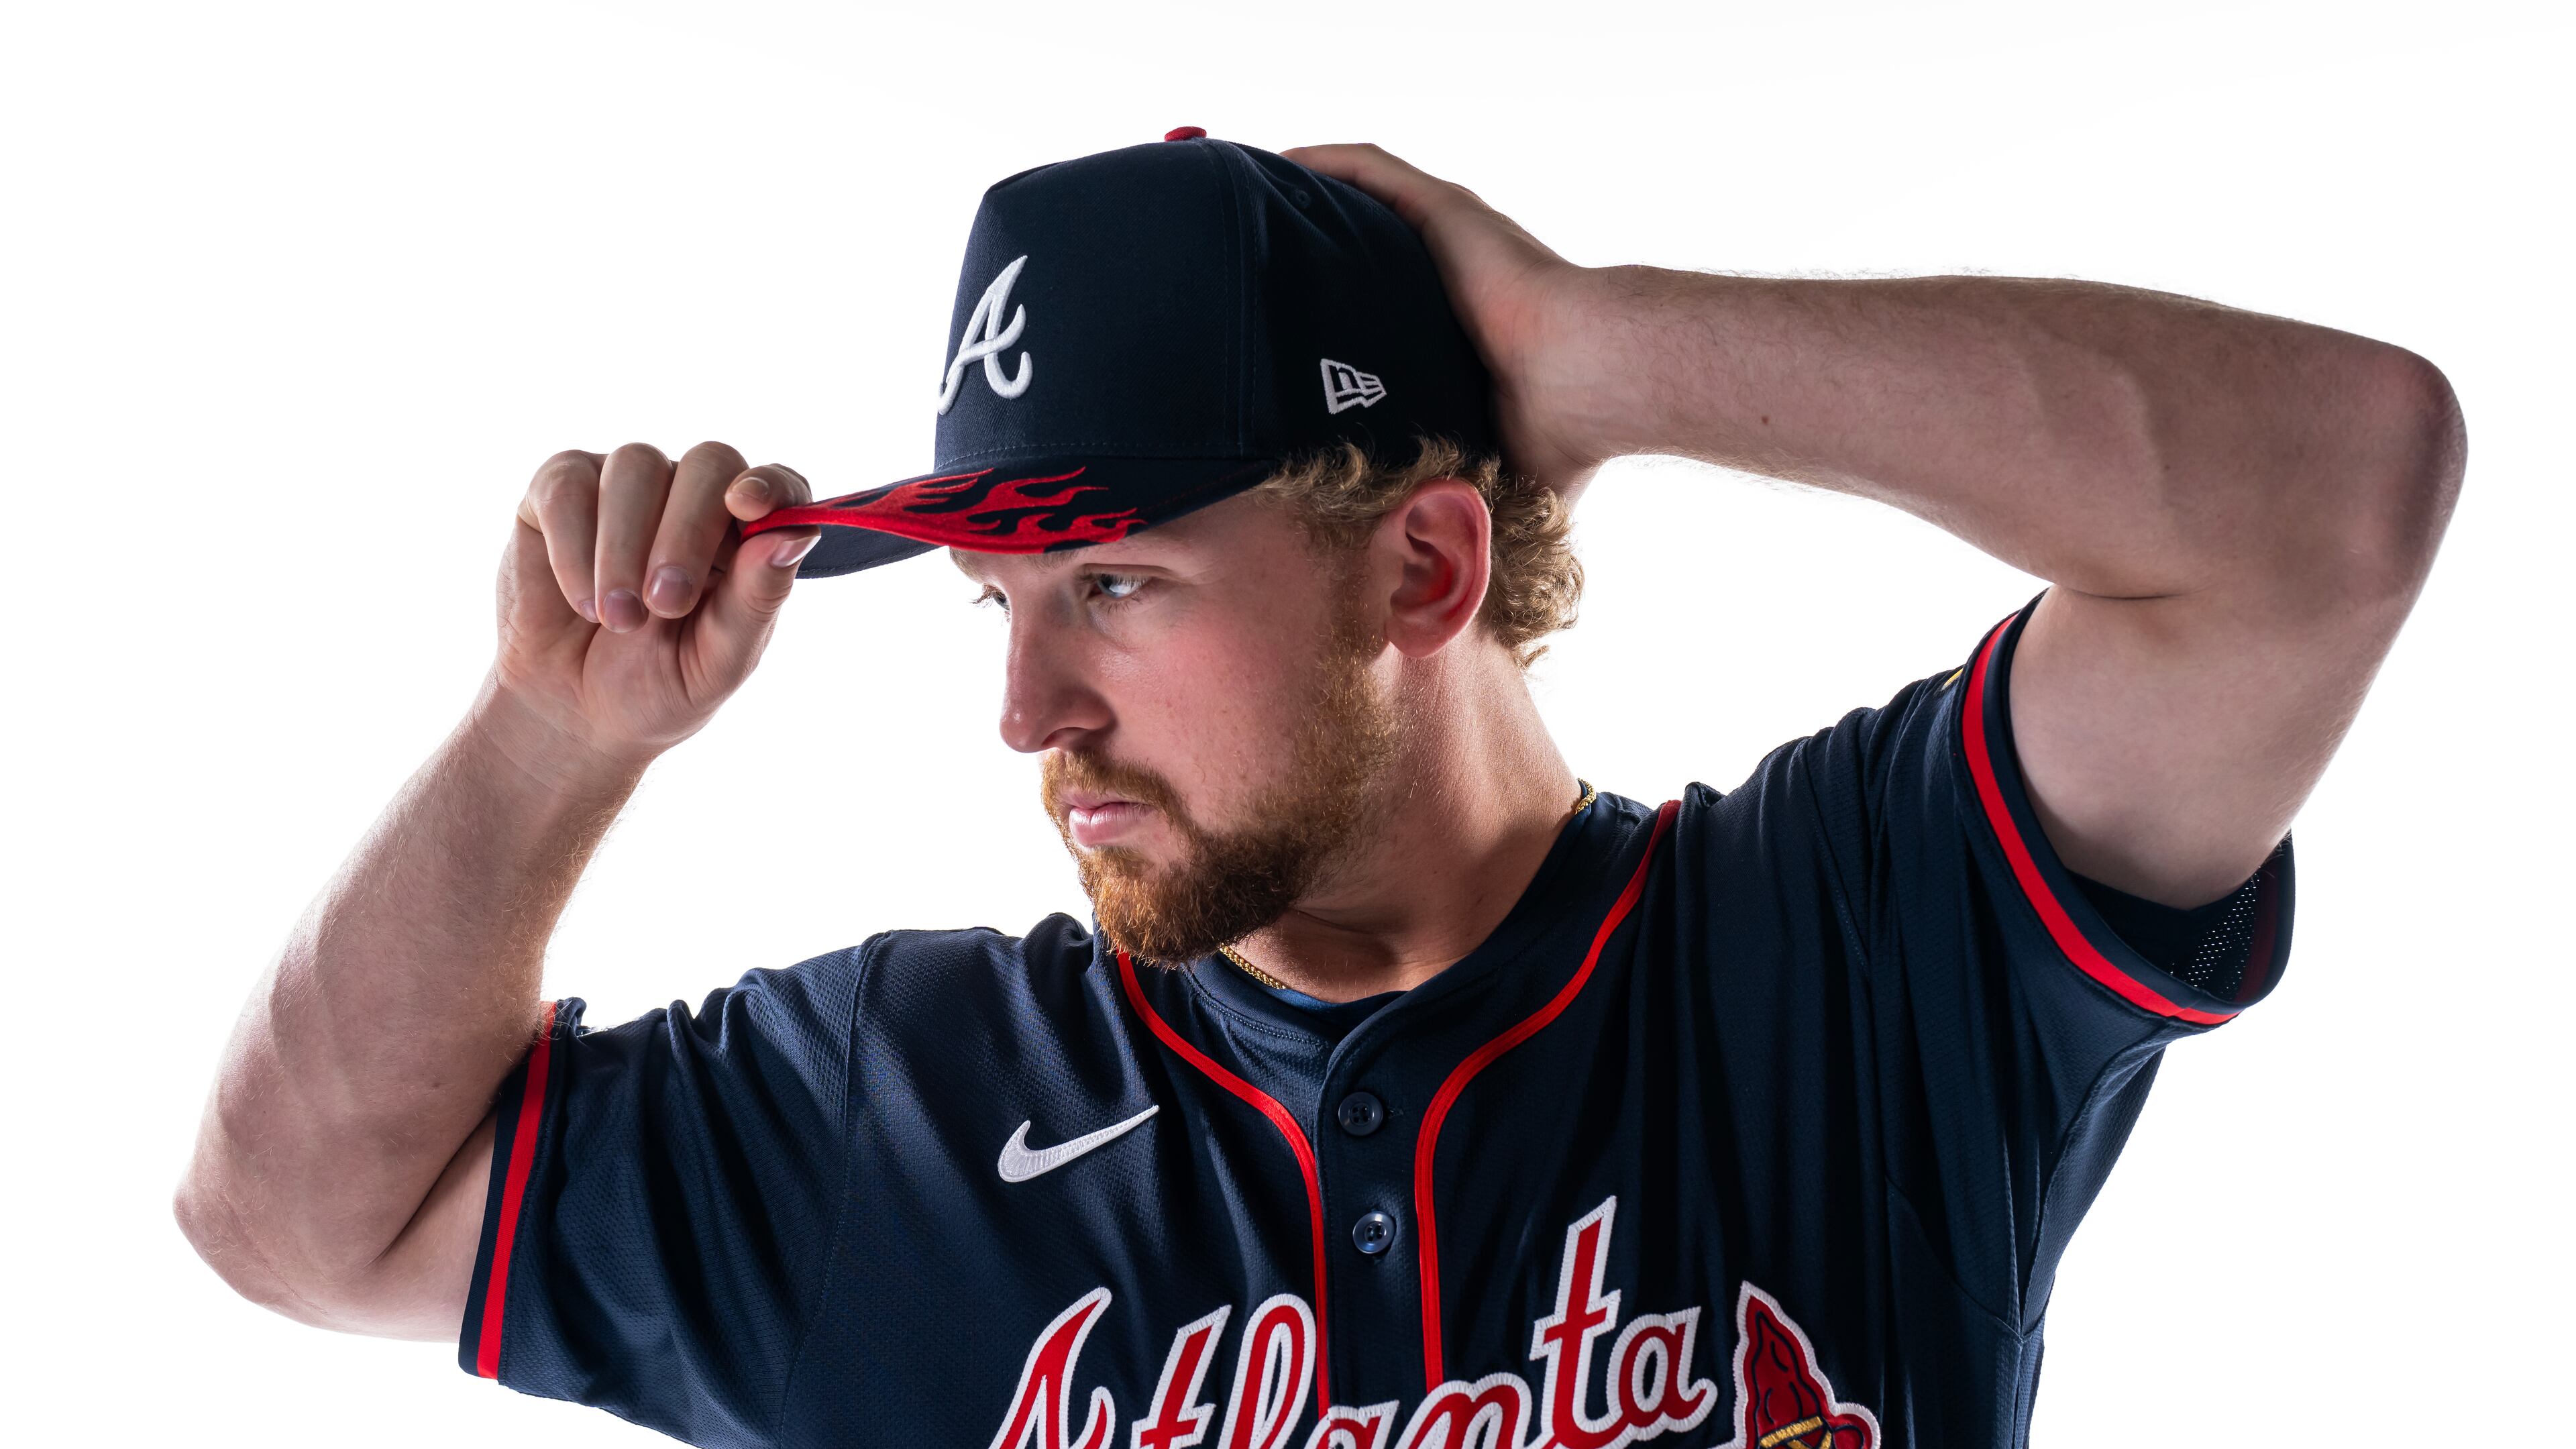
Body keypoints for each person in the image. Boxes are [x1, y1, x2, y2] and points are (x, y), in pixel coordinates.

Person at [175, 131, 2463, 1449]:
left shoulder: (1854, 949)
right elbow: (287, 1218)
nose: (1029, 709)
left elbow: (2334, 503)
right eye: (999, 602)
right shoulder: (900, 1101)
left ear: (1429, 561)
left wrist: (1593, 348)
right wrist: (557, 736)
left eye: (1122, 584)